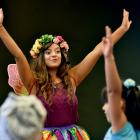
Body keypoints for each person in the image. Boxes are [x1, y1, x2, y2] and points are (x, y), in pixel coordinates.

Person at [0, 7, 131, 139]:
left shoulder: (72, 78)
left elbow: (97, 51)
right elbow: (18, 55)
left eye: (58, 51)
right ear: (41, 57)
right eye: (48, 52)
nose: (54, 55)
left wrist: (122, 29)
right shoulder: (33, 82)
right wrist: (1, 29)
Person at [101, 26, 140, 139]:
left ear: (120, 103)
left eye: (107, 102)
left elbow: (113, 91)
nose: (103, 108)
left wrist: (109, 57)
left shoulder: (123, 130)